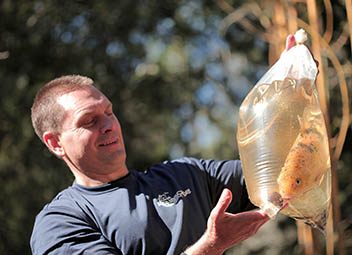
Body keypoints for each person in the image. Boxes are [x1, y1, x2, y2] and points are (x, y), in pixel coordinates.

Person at [30, 36, 296, 255]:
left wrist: (291, 92)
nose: (109, 125)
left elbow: (282, 169)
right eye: (89, 120)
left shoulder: (186, 174)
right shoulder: (61, 221)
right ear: (55, 143)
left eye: (109, 113)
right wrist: (211, 247)